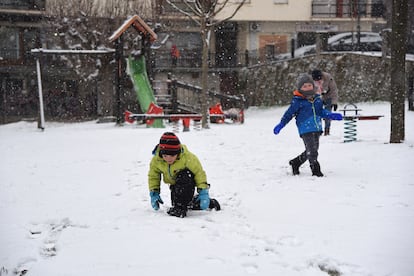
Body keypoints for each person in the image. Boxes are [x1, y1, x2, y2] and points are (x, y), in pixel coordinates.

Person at [273, 73, 343, 177]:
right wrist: (281, 124)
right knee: (312, 151)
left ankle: (296, 162)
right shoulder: (297, 101)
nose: (307, 88)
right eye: (304, 86)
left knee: (312, 150)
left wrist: (331, 115)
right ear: (300, 88)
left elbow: (321, 112)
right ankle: (315, 170)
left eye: (309, 85)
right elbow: (288, 114)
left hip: (317, 127)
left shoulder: (317, 99)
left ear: (313, 86)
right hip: (305, 128)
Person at [148, 132, 220, 218]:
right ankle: (207, 203)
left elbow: (199, 173)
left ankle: (180, 208)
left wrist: (203, 192)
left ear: (178, 153)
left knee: (184, 177)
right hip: (175, 185)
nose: (168, 158)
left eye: (172, 155)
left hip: (187, 182)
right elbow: (153, 176)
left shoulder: (187, 158)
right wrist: (154, 193)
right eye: (165, 155)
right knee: (184, 202)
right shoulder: (157, 160)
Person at [311, 69, 339, 136]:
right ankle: (318, 130)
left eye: (319, 79)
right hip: (316, 97)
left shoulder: (328, 78)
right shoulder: (310, 80)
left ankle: (327, 130)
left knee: (327, 114)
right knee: (316, 114)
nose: (317, 81)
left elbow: (334, 90)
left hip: (328, 97)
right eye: (316, 80)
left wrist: (334, 102)